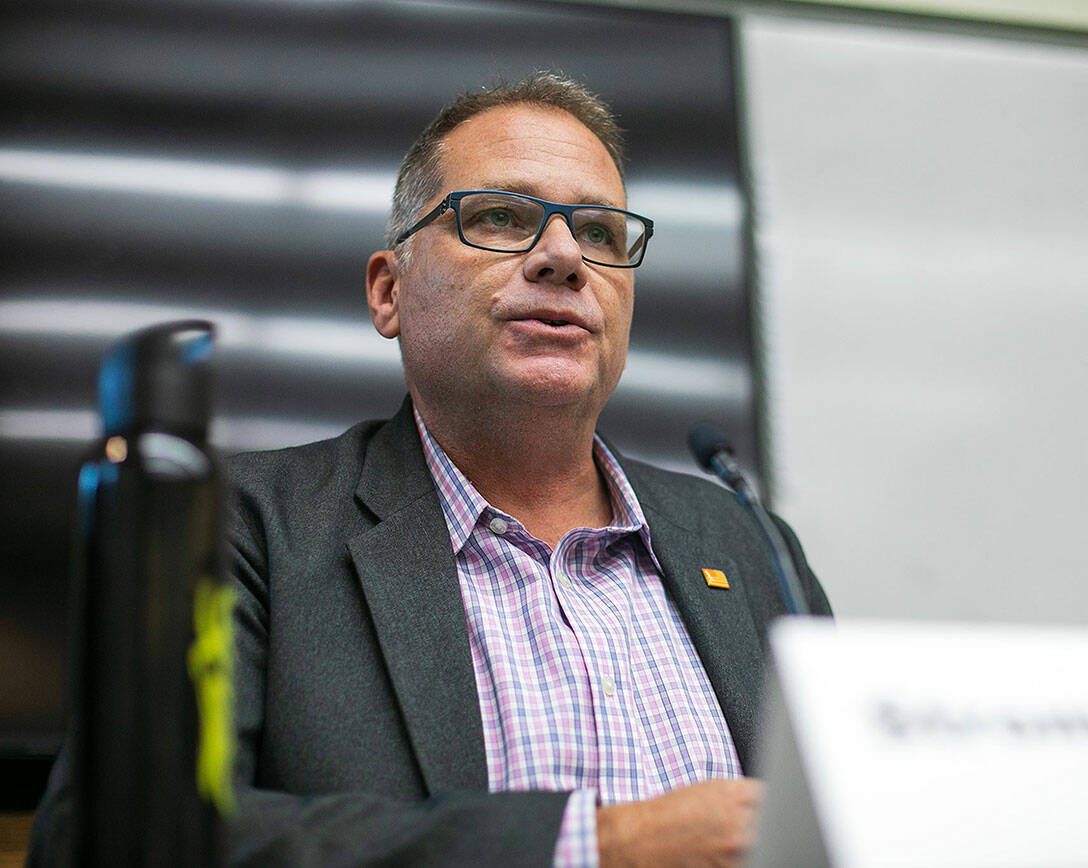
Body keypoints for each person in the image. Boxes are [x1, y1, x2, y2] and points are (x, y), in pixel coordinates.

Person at [31, 73, 830, 866]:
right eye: (500, 218)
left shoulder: (747, 541)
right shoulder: (243, 525)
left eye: (600, 233)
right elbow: (105, 840)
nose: (563, 257)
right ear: (389, 292)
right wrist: (600, 847)